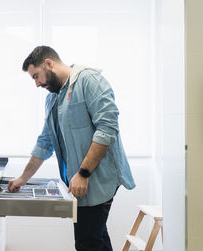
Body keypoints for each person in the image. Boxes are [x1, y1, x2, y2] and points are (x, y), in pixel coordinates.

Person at [8, 46, 135, 251]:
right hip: (79, 182)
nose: (37, 84)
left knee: (87, 243)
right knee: (96, 239)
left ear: (49, 63)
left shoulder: (89, 81)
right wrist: (23, 178)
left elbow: (107, 128)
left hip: (97, 178)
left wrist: (83, 173)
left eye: (36, 76)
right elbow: (45, 141)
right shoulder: (53, 98)